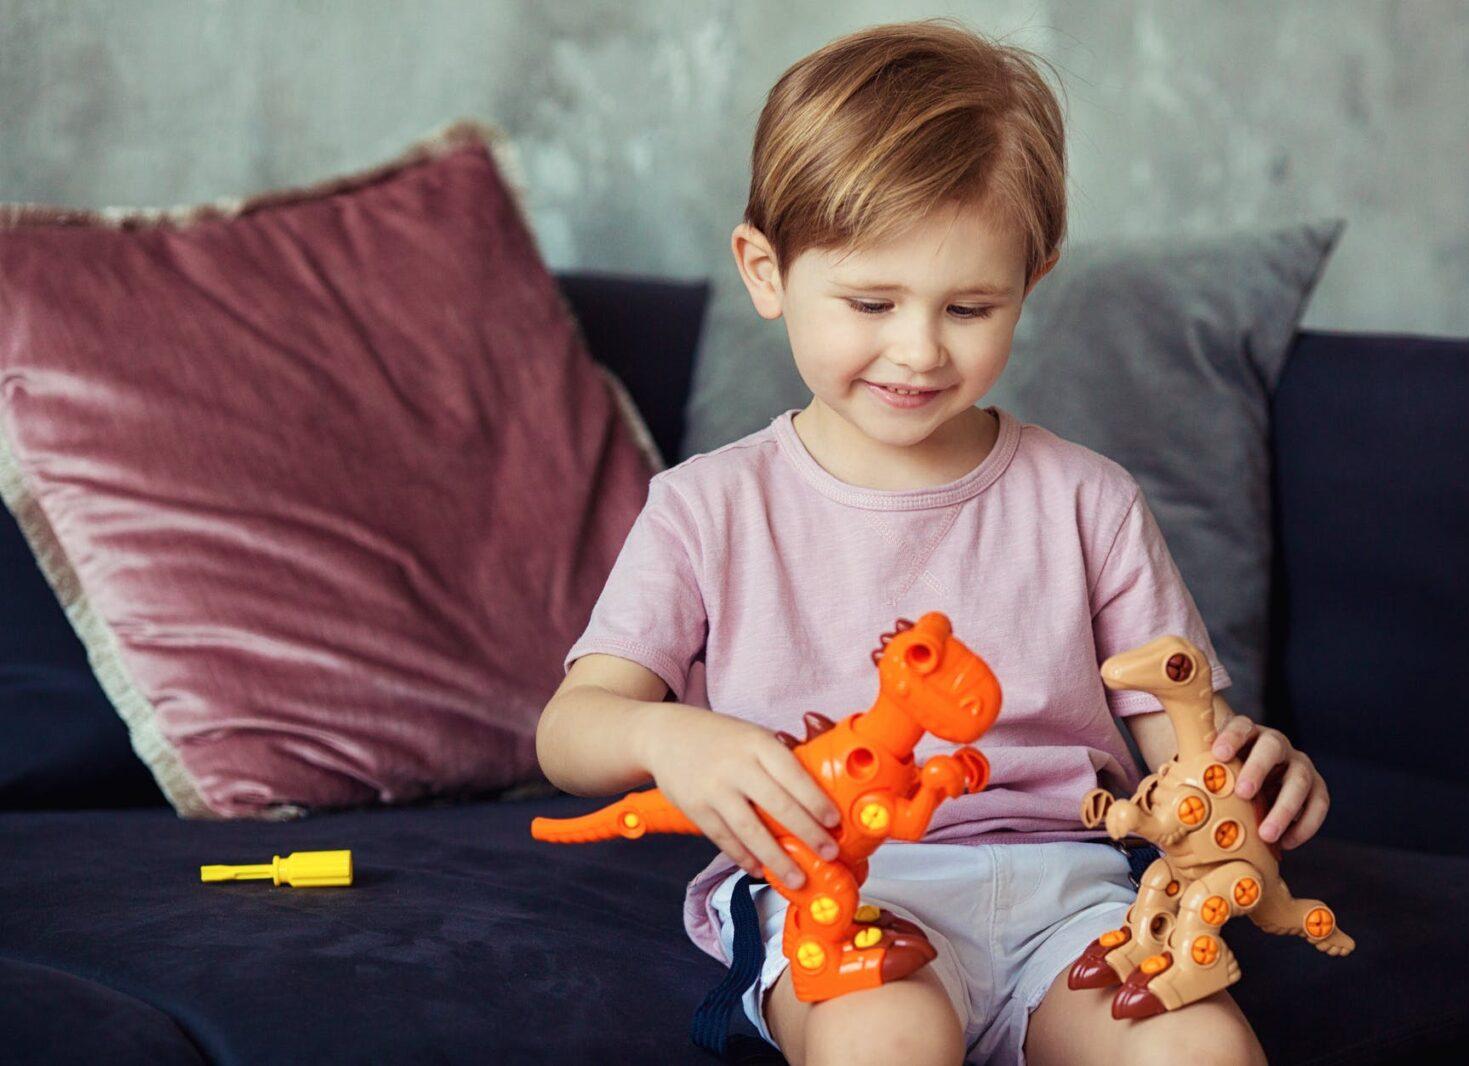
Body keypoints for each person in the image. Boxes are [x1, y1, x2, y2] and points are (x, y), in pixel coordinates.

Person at [536, 18, 1328, 1066]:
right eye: (871, 301)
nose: (917, 350)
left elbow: (1186, 743)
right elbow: (570, 730)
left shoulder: (1088, 500)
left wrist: (1254, 769)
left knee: (1202, 1050)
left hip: (1074, 890)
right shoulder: (706, 506)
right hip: (838, 884)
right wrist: (666, 738)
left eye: (968, 307)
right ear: (765, 271)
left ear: (1031, 284)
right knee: (887, 1034)